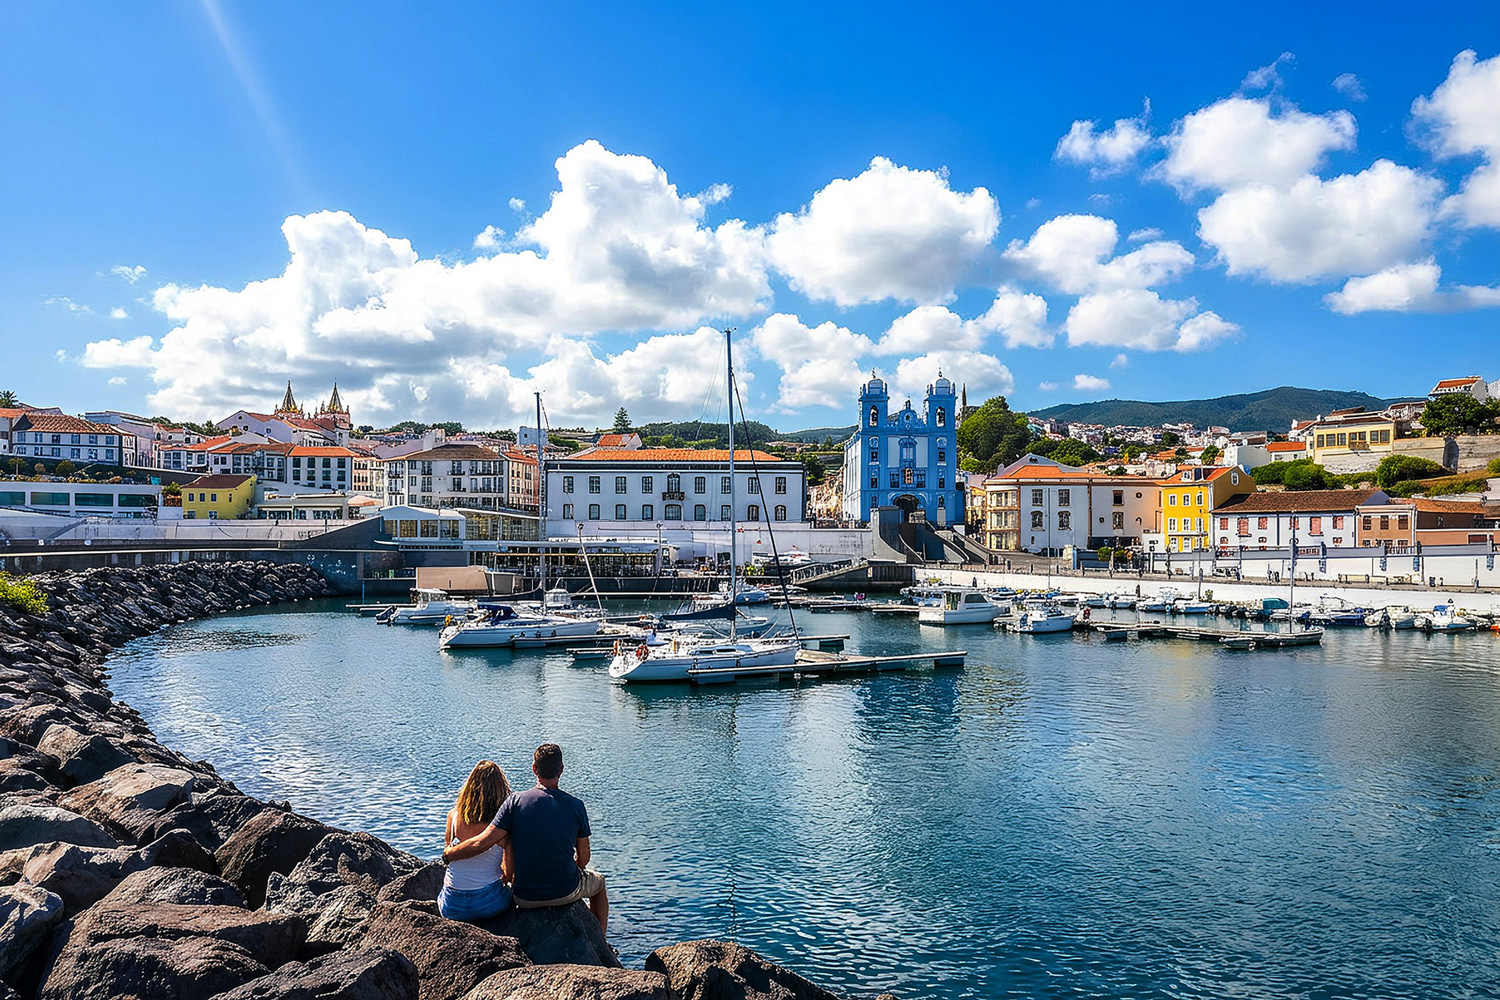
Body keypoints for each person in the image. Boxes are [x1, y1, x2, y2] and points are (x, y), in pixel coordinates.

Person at [443, 743, 608, 935]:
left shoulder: (514, 802)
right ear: (561, 770)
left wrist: (449, 854)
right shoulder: (576, 805)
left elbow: (483, 842)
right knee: (600, 883)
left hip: (525, 897)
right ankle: (601, 941)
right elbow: (584, 859)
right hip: (566, 891)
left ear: (534, 769)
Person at [437, 760, 514, 921]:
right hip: (489, 903)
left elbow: (449, 857)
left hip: (451, 905)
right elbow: (508, 875)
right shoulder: (502, 826)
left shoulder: (453, 816)